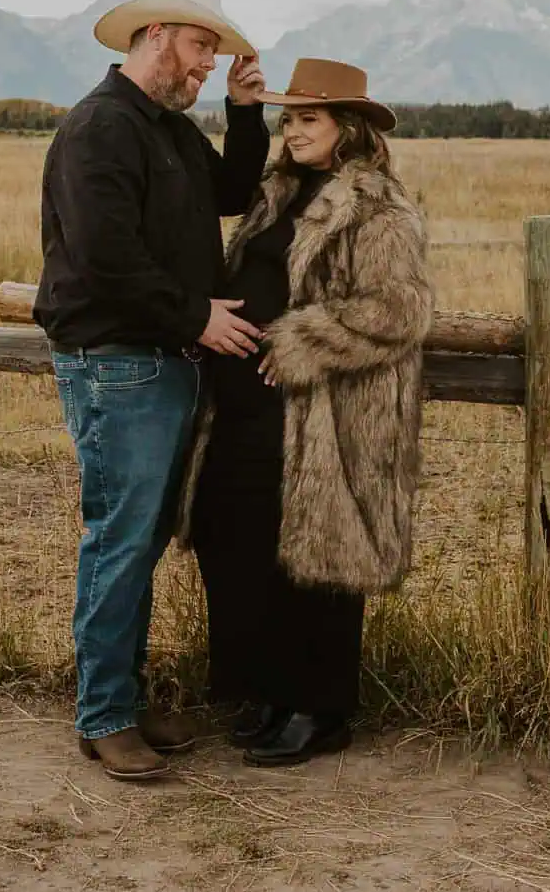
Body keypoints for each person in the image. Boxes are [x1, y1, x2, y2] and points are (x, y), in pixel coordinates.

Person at [36, 0, 272, 781]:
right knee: (121, 537)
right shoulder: (100, 127)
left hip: (158, 359)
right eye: (202, 46)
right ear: (157, 35)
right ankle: (105, 715)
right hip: (118, 361)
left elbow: (229, 193)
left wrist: (244, 113)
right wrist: (196, 315)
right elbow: (106, 255)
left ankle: (120, 705)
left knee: (137, 539)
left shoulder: (167, 126)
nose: (209, 62)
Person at [175, 57, 432, 767]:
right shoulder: (277, 191)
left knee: (318, 556)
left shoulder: (377, 207)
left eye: (308, 118)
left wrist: (301, 340)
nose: (293, 131)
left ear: (347, 127)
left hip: (325, 412)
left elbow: (398, 309)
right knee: (247, 544)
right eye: (288, 118)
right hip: (248, 405)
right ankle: (271, 692)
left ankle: (321, 709)